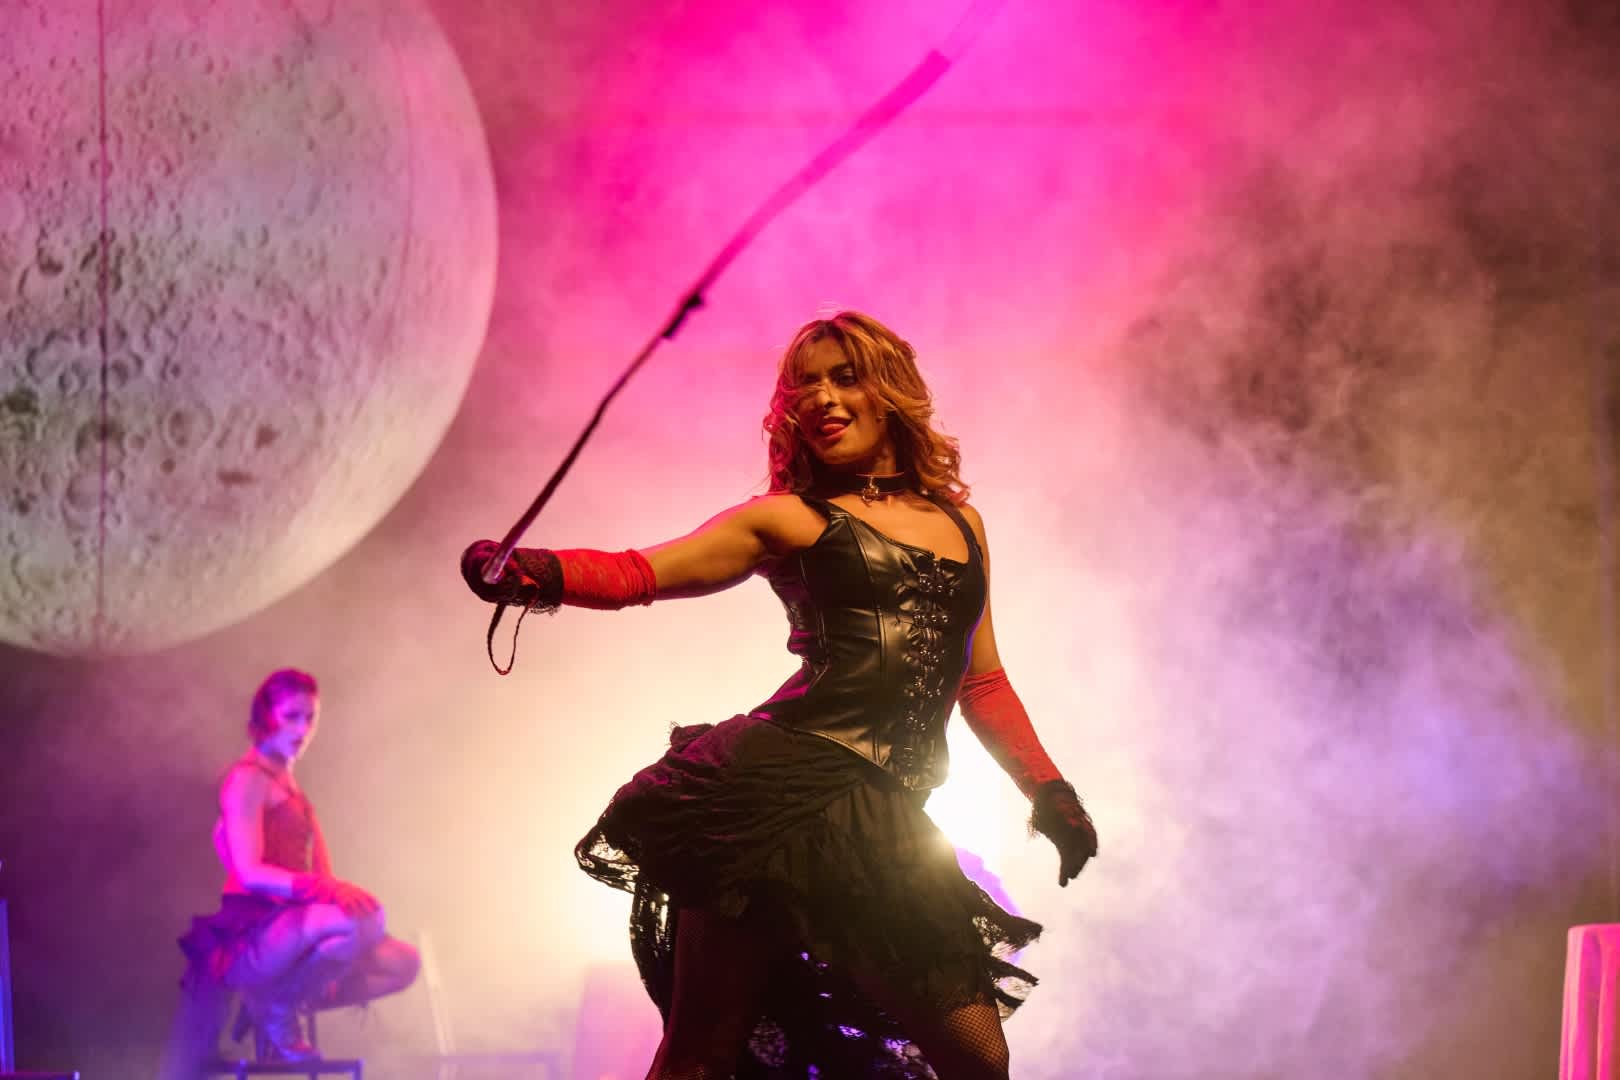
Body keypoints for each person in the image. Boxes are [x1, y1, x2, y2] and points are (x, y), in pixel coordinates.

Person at [462, 311, 1097, 1080]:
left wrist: (1049, 790)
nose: (821, 399)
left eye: (844, 377)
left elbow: (983, 678)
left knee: (975, 1057)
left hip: (884, 814)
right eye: (804, 386)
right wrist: (531, 571)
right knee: (702, 1054)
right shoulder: (787, 519)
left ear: (890, 389)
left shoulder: (963, 524)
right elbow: (641, 573)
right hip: (767, 798)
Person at [175, 669, 420, 1063]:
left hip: (297, 926)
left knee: (402, 961)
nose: (304, 728)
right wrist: (325, 892)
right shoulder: (247, 780)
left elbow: (318, 869)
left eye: (311, 718)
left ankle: (283, 1002)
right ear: (264, 718)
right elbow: (250, 871)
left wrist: (341, 892)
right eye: (292, 716)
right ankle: (277, 1009)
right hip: (255, 930)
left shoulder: (286, 778)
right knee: (353, 923)